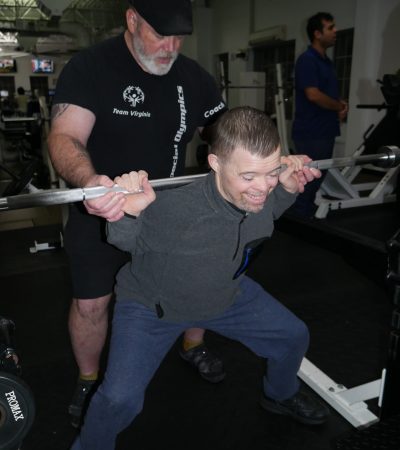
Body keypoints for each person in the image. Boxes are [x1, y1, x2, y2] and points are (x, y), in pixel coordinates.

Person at [71, 106, 328, 450]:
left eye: (271, 172)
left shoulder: (261, 193)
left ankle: (279, 394)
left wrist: (287, 188)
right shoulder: (175, 209)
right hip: (153, 307)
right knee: (118, 399)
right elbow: (124, 241)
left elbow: (267, 210)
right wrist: (128, 210)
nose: (262, 188)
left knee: (293, 336)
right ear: (216, 163)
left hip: (227, 295)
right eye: (249, 176)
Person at [47, 0, 227, 428]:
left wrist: (265, 154)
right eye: (160, 34)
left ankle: (191, 345)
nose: (170, 47)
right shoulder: (91, 67)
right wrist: (93, 183)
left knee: (194, 280)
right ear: (132, 19)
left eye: (179, 37)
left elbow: (225, 132)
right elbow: (65, 136)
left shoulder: (192, 76)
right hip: (101, 206)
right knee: (92, 303)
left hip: (165, 212)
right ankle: (89, 378)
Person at [290, 12, 348, 218]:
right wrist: (337, 106)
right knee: (308, 177)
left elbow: (328, 93)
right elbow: (313, 95)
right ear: (317, 33)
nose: (335, 31)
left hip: (325, 129)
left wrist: (340, 104)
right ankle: (298, 218)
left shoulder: (326, 62)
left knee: (318, 176)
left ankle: (304, 211)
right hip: (311, 132)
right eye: (330, 28)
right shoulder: (307, 60)